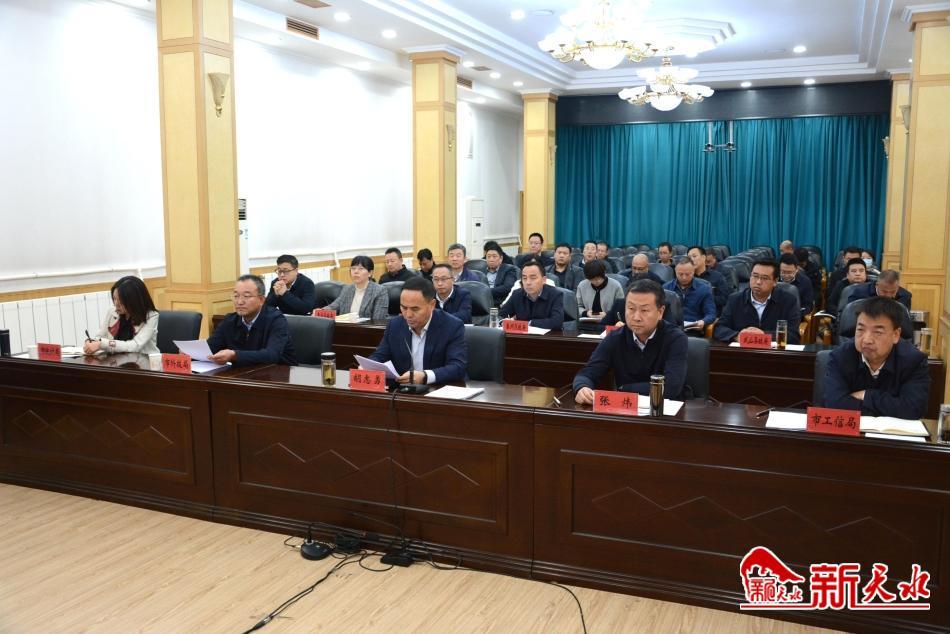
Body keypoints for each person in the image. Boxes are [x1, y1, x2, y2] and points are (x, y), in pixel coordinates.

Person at [573, 280, 688, 404]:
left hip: (665, 408)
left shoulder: (675, 338)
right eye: (631, 308)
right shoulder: (616, 337)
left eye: (644, 310)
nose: (636, 317)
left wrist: (624, 389)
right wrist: (582, 387)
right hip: (626, 408)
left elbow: (671, 387)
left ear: (660, 312)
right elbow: (588, 373)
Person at [822, 297, 930, 418]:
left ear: (896, 335)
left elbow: (914, 409)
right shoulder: (840, 357)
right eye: (860, 329)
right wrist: (891, 408)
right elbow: (834, 405)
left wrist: (867, 396)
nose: (867, 340)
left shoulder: (913, 361)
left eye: (877, 332)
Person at [369, 276, 467, 385]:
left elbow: (457, 367)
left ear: (432, 305)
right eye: (404, 308)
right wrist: (369, 366)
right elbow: (380, 355)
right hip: (403, 390)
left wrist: (425, 376)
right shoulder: (395, 325)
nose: (408, 315)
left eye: (415, 309)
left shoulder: (452, 326)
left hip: (438, 389)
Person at [208, 274, 297, 366]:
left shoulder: (276, 320)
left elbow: (272, 355)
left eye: (246, 296)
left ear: (261, 300)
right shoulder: (229, 320)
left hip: (279, 371)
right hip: (244, 371)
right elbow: (210, 348)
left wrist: (234, 355)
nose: (239, 302)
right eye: (236, 296)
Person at [714, 260, 801, 344]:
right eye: (755, 276)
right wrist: (737, 336)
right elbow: (719, 328)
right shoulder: (735, 299)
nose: (758, 282)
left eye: (765, 278)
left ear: (775, 281)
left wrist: (763, 335)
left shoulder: (788, 301)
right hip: (742, 350)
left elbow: (793, 335)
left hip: (773, 351)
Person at [84, 276, 159, 355]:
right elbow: (100, 337)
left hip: (144, 360)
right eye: (114, 298)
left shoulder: (151, 316)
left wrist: (102, 344)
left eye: (121, 300)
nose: (116, 304)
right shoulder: (112, 312)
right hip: (117, 360)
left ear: (133, 300)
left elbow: (135, 345)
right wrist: (91, 341)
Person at [498, 260, 564, 329]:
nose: (528, 282)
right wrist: (503, 322)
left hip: (549, 335)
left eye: (533, 278)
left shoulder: (555, 295)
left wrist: (528, 324)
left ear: (544, 280)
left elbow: (557, 322)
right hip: (521, 335)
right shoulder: (517, 294)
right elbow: (501, 315)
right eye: (524, 278)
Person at [324, 255, 389, 320]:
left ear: (370, 273)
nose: (356, 271)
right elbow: (333, 306)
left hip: (367, 326)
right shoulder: (347, 289)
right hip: (345, 326)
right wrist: (321, 311)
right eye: (353, 268)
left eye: (361, 268)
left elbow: (378, 320)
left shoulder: (380, 291)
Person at [664, 260, 716, 334]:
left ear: (693, 272)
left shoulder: (704, 289)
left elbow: (711, 314)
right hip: (670, 330)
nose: (684, 277)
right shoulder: (666, 288)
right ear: (675, 272)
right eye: (680, 274)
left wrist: (703, 321)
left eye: (687, 274)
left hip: (693, 330)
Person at [687, 246, 728, 313]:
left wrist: (704, 297)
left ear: (703, 257)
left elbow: (724, 299)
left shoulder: (717, 277)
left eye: (694, 256)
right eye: (689, 258)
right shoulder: (686, 277)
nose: (691, 259)